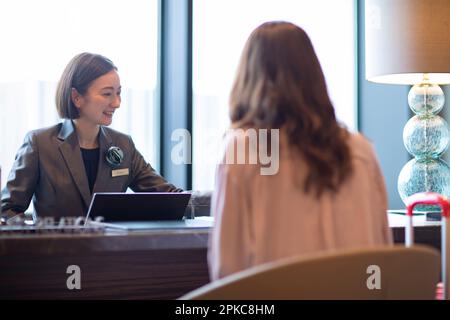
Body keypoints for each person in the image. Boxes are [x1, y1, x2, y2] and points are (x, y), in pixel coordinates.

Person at [208, 21, 393, 280]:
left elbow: (227, 270)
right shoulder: (361, 150)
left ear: (249, 79)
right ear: (315, 76)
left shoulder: (242, 149)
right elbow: (382, 253)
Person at [1, 52, 182, 223]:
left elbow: (172, 197)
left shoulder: (123, 145)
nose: (117, 103)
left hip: (108, 254)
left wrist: (210, 200)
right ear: (76, 97)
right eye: (107, 94)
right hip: (53, 254)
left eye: (118, 93)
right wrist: (35, 239)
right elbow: (7, 210)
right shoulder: (40, 144)